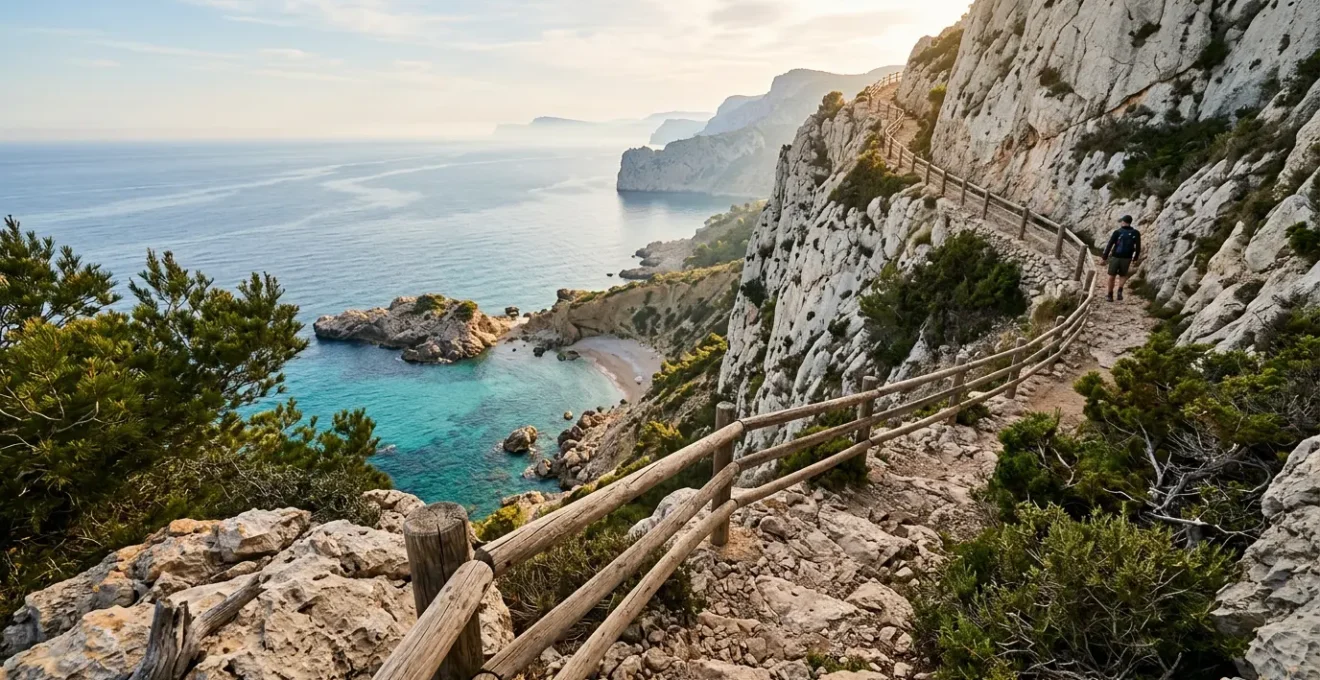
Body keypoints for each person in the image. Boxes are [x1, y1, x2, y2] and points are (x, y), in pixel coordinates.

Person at [1101, 215, 1141, 301]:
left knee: (1112, 276)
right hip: (1127, 257)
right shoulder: (1136, 233)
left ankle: (1110, 295)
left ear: (1123, 222)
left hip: (1116, 256)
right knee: (1123, 275)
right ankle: (1119, 291)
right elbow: (1138, 247)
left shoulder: (1117, 232)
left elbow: (1110, 244)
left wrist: (1104, 257)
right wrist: (1135, 258)